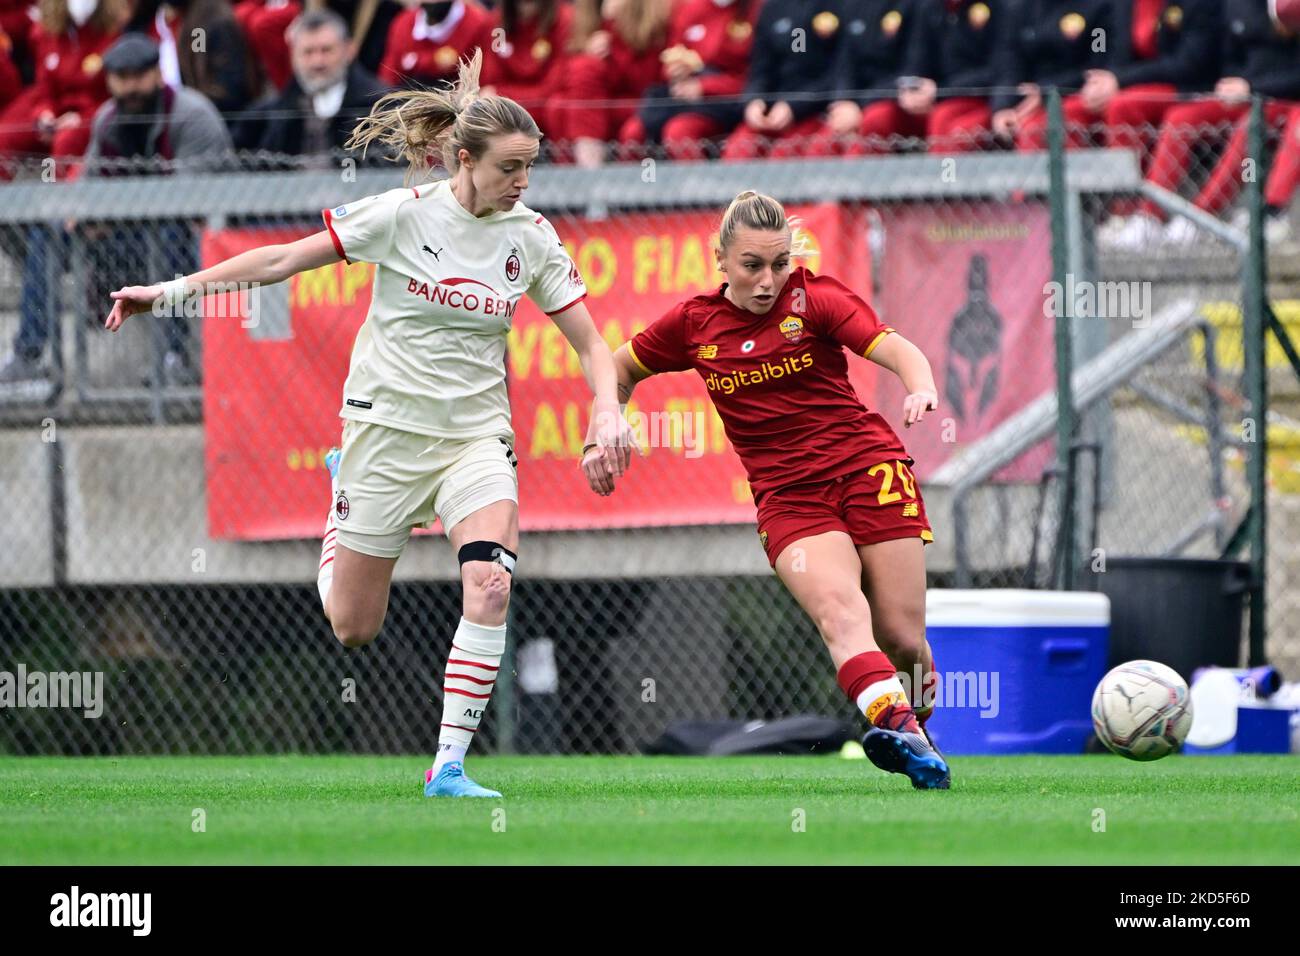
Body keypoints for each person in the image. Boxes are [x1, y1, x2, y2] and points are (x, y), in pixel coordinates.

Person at [104, 50, 634, 798]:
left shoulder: (530, 235)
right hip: (384, 432)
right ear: (463, 160)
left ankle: (448, 767)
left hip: (475, 439)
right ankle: (336, 515)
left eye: (531, 167)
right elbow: (283, 259)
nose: (524, 182)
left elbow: (587, 341)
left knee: (489, 585)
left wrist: (606, 408)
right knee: (354, 627)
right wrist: (170, 290)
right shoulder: (403, 214)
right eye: (511, 166)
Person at [588, 190, 951, 789]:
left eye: (779, 263)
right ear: (721, 262)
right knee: (841, 615)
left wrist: (919, 384)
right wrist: (604, 426)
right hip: (790, 499)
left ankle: (915, 717)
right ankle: (905, 732)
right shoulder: (694, 323)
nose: (767, 279)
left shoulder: (817, 298)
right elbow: (618, 368)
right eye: (752, 265)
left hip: (867, 468)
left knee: (902, 637)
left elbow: (897, 348)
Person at [244, 8, 389, 163]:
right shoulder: (275, 111)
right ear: (293, 56)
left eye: (326, 50)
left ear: (349, 50)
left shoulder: (379, 105)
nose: (317, 62)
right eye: (308, 52)